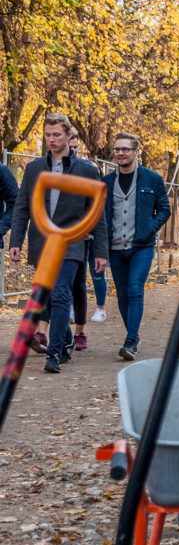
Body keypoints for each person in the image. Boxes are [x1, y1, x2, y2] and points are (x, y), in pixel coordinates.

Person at [9, 113, 108, 373]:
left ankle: (54, 353)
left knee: (62, 293)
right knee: (51, 298)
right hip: (42, 242)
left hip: (72, 241)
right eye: (48, 135)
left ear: (68, 136)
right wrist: (16, 241)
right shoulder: (34, 169)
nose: (52, 139)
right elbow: (22, 208)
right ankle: (64, 342)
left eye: (57, 135)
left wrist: (99, 250)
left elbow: (96, 214)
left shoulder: (86, 170)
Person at [104, 132, 171, 361]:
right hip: (115, 247)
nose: (121, 153)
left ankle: (131, 340)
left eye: (125, 149)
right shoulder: (106, 183)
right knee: (122, 294)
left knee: (135, 288)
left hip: (141, 246)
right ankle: (133, 335)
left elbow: (164, 209)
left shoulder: (152, 179)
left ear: (135, 152)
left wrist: (149, 229)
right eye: (117, 149)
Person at [67, 129, 108, 351]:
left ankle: (100, 307)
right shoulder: (56, 170)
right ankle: (69, 318)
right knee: (73, 282)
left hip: (91, 234)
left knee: (96, 276)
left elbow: (98, 209)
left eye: (74, 147)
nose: (71, 150)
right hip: (72, 237)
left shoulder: (89, 170)